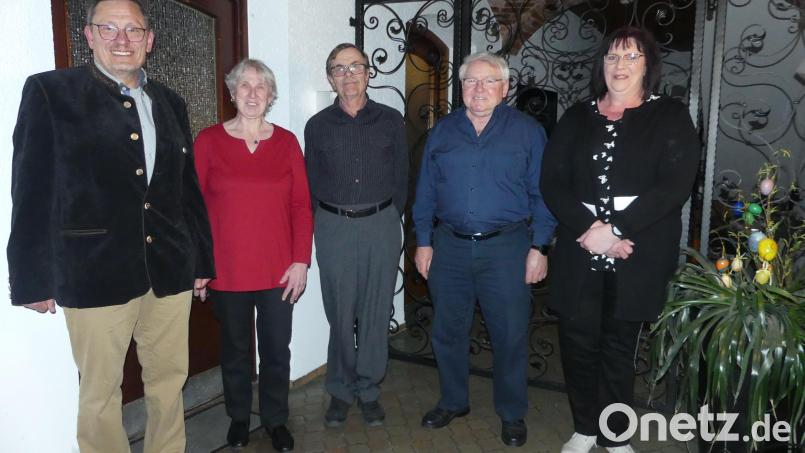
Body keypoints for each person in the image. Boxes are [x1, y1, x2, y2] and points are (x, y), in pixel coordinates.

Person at [6, 1, 215, 452]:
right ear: (89, 35)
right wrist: (31, 278)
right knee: (100, 395)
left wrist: (201, 258)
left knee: (168, 383)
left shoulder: (171, 102)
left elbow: (186, 188)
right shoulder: (50, 92)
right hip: (93, 272)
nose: (122, 39)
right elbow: (30, 188)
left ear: (149, 41)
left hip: (169, 268)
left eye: (133, 30)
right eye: (110, 28)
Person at [540, 26, 700, 453]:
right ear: (602, 65)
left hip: (639, 249)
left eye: (631, 57)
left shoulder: (670, 114)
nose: (620, 65)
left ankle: (614, 435)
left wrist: (616, 230)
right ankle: (584, 428)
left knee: (618, 344)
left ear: (648, 65)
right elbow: (552, 183)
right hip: (581, 247)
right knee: (577, 341)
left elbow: (675, 183)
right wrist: (590, 231)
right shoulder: (577, 116)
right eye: (612, 57)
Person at [412, 51, 557, 448]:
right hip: (449, 248)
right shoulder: (442, 132)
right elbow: (424, 191)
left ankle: (512, 413)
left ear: (505, 88)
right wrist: (423, 241)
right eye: (471, 82)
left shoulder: (528, 133)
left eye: (489, 81)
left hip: (507, 248)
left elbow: (543, 195)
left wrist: (539, 247)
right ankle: (454, 400)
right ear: (461, 89)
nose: (479, 89)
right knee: (447, 331)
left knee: (509, 334)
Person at [193, 58, 312, 452]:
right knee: (236, 350)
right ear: (232, 93)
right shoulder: (209, 141)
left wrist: (301, 260)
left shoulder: (287, 142)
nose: (253, 93)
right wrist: (199, 266)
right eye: (244, 85)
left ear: (271, 95)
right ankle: (240, 418)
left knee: (277, 350)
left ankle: (276, 419)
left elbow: (301, 206)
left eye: (261, 86)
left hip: (279, 270)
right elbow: (192, 208)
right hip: (226, 270)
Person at [304, 43, 408, 427]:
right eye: (339, 68)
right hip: (333, 227)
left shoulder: (391, 120)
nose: (348, 75)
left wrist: (390, 216)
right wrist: (325, 221)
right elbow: (310, 181)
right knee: (340, 310)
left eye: (355, 67)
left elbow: (402, 177)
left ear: (368, 73)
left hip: (381, 224)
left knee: (376, 310)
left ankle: (368, 389)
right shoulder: (317, 127)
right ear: (329, 76)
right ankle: (341, 389)